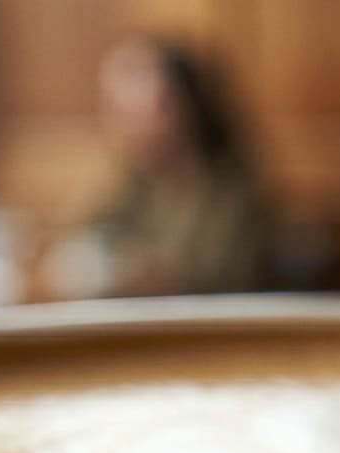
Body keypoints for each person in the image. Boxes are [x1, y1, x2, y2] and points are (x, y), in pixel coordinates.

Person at [56, 39, 274, 298]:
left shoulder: (231, 191)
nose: (120, 126)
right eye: (114, 110)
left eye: (133, 112)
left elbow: (201, 278)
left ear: (180, 108)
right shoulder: (129, 179)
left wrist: (135, 269)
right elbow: (79, 239)